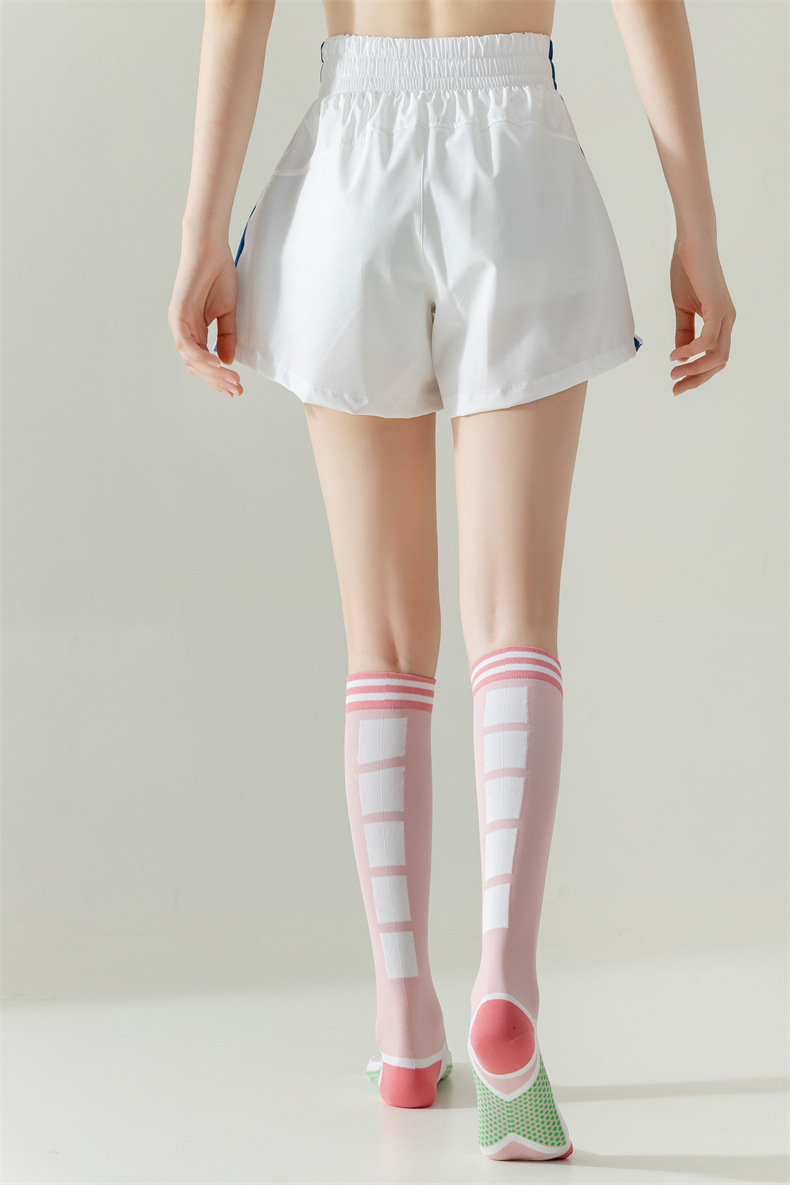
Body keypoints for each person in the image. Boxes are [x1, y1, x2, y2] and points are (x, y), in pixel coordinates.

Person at [168, 0, 735, 1162]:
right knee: (513, 624)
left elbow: (237, 8)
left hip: (350, 157)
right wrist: (697, 231)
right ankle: (505, 989)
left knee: (382, 645)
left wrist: (200, 237)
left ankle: (402, 1017)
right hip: (516, 156)